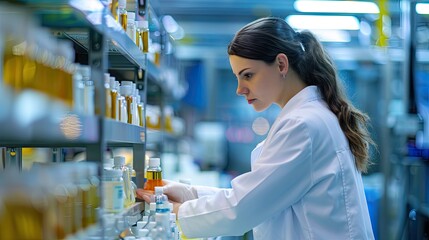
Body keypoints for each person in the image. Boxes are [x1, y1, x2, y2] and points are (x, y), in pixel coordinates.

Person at [137, 16, 375, 239]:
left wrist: (175, 210)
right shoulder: (309, 117)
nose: (239, 89)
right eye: (237, 77)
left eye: (248, 75)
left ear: (281, 64)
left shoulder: (303, 125)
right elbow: (257, 196)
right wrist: (190, 194)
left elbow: (241, 210)